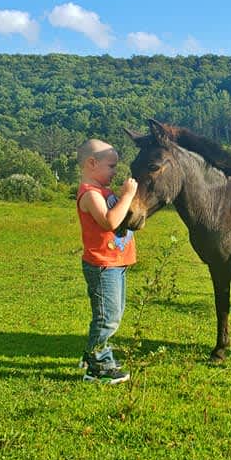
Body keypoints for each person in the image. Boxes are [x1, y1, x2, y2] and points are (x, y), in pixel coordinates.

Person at [75, 139, 138, 384]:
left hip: (115, 264)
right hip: (102, 266)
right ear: (92, 163)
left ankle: (93, 355)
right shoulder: (90, 194)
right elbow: (110, 222)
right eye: (111, 166)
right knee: (106, 317)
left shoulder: (103, 191)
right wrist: (128, 194)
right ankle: (97, 366)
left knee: (114, 314)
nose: (115, 172)